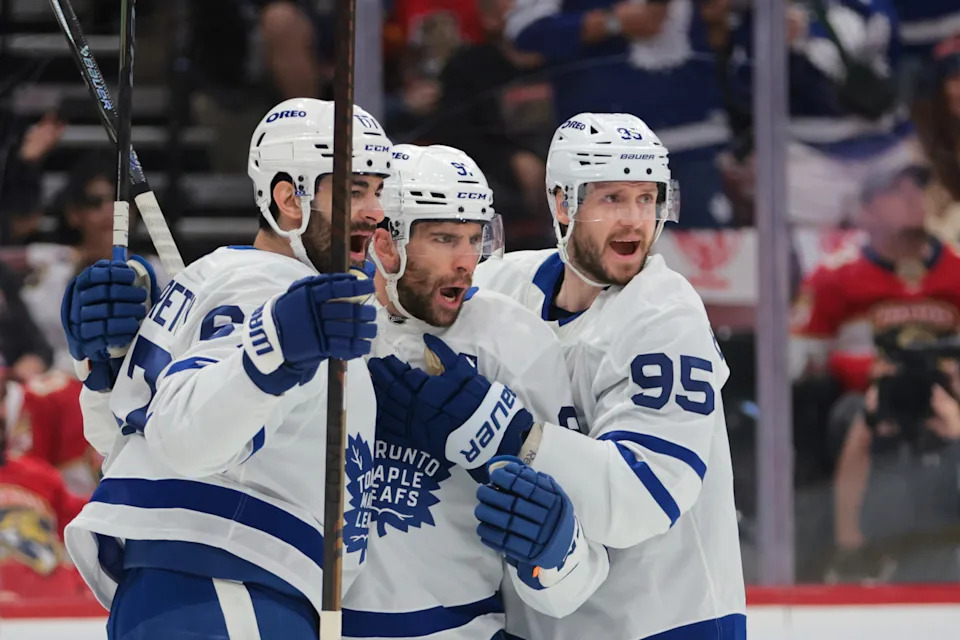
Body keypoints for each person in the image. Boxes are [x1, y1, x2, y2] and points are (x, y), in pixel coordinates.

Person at [59, 98, 393, 639]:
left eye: (378, 190)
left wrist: (103, 372)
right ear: (290, 199)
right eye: (354, 191)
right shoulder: (269, 288)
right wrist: (276, 349)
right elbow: (188, 438)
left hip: (195, 588)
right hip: (231, 587)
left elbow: (121, 438)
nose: (375, 211)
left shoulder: (220, 275)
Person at [472, 112, 746, 639]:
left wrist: (505, 432)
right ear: (562, 203)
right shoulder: (505, 287)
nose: (635, 221)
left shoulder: (666, 315)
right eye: (612, 199)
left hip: (664, 625)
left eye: (647, 199)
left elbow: (639, 498)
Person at [341, 144, 609, 639]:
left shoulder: (513, 338)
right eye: (445, 239)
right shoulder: (331, 323)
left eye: (474, 238)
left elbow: (579, 577)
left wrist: (555, 547)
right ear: (385, 245)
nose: (467, 261)